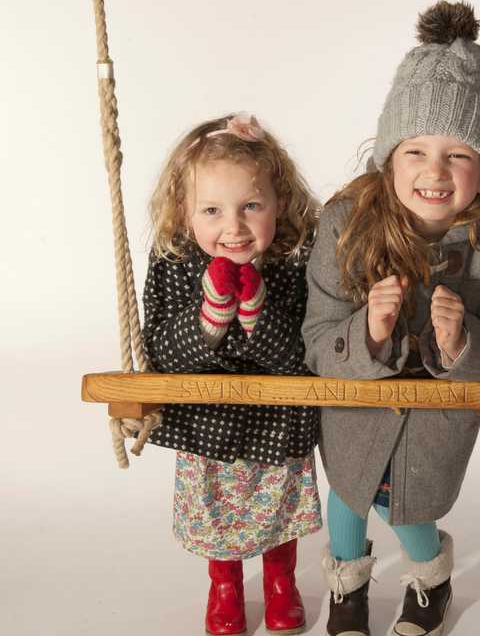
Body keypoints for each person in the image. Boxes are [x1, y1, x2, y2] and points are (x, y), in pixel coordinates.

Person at [302, 1, 480, 636]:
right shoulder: (344, 223)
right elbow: (318, 340)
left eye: (459, 154)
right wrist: (367, 334)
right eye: (417, 150)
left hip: (436, 415)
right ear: (390, 155)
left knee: (408, 510)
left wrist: (463, 344)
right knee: (346, 498)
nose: (435, 171)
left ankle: (430, 581)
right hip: (355, 401)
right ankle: (347, 595)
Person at [142, 112, 322, 635]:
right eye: (212, 210)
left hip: (276, 417)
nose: (234, 227)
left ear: (279, 203)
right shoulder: (174, 259)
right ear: (184, 211)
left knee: (279, 501)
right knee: (214, 506)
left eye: (251, 206)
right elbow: (160, 352)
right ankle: (224, 586)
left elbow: (302, 356)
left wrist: (256, 309)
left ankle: (281, 582)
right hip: (206, 418)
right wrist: (209, 318)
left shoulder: (294, 257)